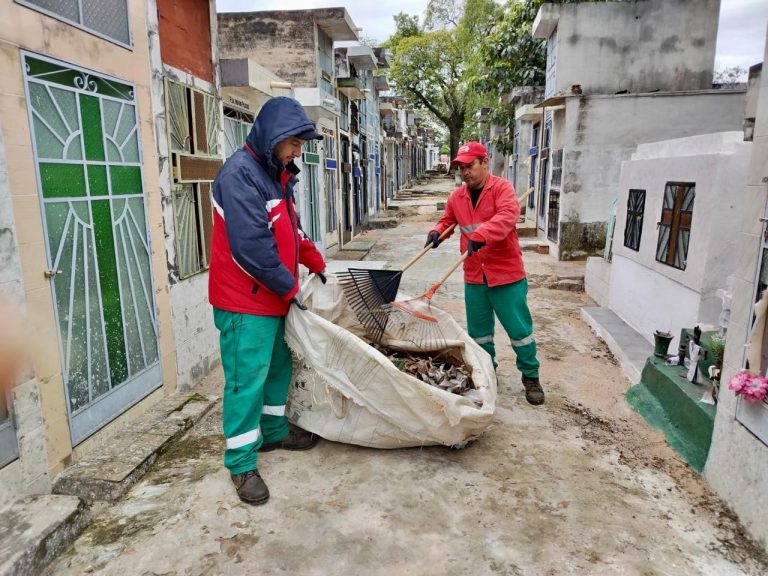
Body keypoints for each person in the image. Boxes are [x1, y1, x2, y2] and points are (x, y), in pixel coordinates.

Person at [208, 97, 327, 505]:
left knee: (279, 367)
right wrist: (290, 288)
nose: (297, 152)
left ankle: (274, 432)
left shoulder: (275, 175)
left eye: (301, 145)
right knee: (246, 381)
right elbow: (252, 249)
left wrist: (312, 259)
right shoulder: (239, 175)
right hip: (245, 302)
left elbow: (290, 230)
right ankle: (241, 462)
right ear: (273, 137)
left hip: (273, 297)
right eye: (294, 143)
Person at [424, 142, 544, 406]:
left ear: (484, 162)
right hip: (474, 275)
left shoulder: (502, 189)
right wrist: (437, 232)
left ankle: (530, 375)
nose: (465, 172)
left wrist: (482, 234)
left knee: (519, 331)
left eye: (470, 166)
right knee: (479, 334)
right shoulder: (457, 197)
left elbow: (507, 216)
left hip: (505, 274)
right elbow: (448, 221)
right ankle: (488, 374)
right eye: (461, 167)